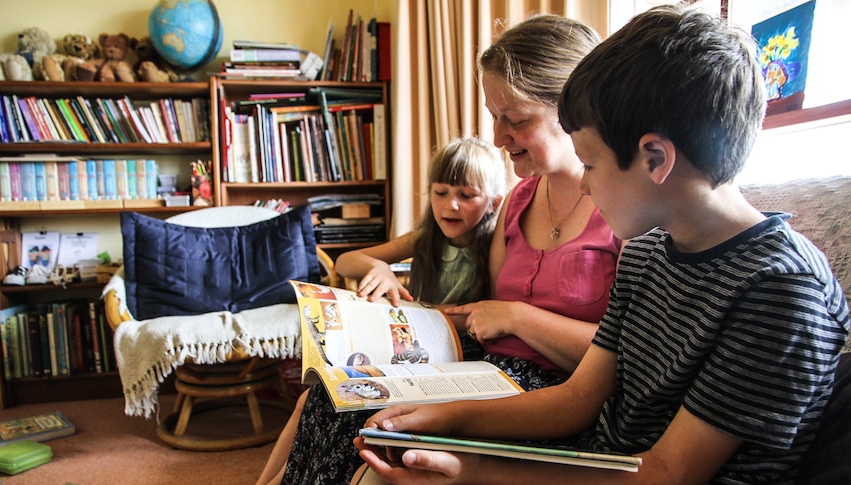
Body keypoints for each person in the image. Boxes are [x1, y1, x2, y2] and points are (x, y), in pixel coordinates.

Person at [354, 5, 850, 484]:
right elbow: (578, 399)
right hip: (601, 458)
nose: (584, 187)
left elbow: (665, 474)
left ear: (656, 158)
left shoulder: (781, 291)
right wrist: (447, 418)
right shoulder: (648, 252)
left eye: (589, 164)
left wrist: (476, 473)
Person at [259, 15, 622, 485]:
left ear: (575, 107)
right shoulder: (517, 201)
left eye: (516, 120)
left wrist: (516, 317)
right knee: (336, 396)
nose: (497, 137)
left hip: (554, 393)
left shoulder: (622, 210)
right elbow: (481, 308)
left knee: (385, 443)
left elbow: (624, 356)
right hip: (486, 368)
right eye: (494, 116)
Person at [257, 136, 508, 485]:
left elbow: (492, 314)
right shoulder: (425, 238)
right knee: (310, 400)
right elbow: (347, 261)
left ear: (494, 203)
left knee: (339, 407)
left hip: (459, 358)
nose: (450, 205)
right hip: (413, 350)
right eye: (440, 192)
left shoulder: (495, 245)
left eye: (466, 196)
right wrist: (381, 267)